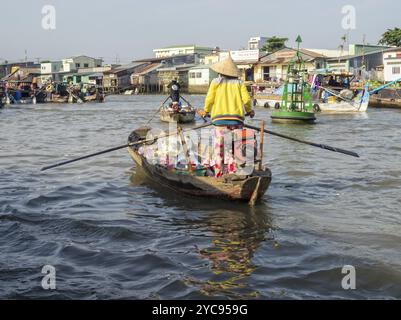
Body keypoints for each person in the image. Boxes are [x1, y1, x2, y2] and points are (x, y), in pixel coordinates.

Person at [198, 55, 255, 177]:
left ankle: (219, 174)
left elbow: (209, 100)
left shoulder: (215, 82)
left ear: (220, 72)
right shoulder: (239, 83)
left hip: (220, 122)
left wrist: (205, 111)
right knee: (233, 149)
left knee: (219, 149)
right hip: (236, 121)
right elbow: (247, 100)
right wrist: (250, 111)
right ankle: (232, 172)